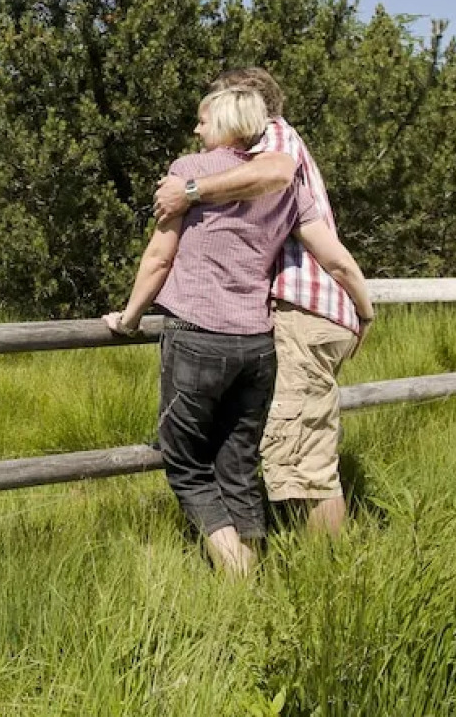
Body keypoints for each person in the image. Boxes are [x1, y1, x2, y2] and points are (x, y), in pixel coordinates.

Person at [103, 85, 372, 575]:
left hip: (197, 335)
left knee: (187, 464)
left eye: (202, 121)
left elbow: (160, 256)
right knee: (238, 462)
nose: (195, 129)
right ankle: (258, 566)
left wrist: (129, 317)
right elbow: (330, 253)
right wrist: (364, 305)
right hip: (257, 343)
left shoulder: (188, 172)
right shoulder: (288, 187)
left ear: (225, 122)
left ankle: (237, 574)